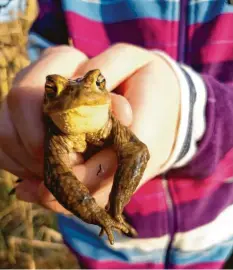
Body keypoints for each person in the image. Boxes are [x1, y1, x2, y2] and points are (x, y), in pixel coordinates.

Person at [1, 0, 233, 268]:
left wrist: (195, 113)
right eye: (56, 89)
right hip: (96, 248)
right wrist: (44, 64)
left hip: (213, 239)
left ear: (104, 89)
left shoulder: (112, 123)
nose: (78, 93)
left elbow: (137, 152)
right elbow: (42, 43)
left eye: (97, 84)